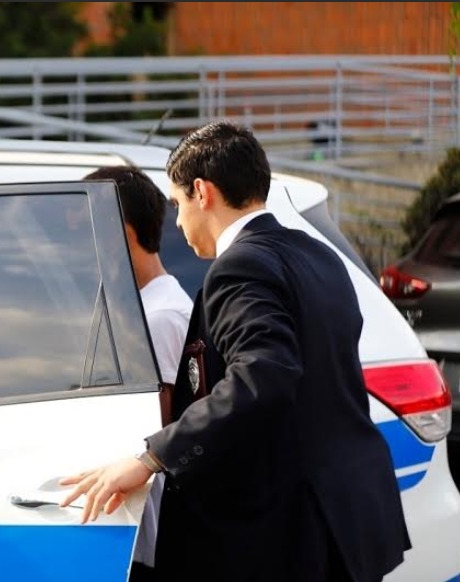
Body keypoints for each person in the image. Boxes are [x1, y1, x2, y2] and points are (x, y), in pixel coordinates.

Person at [61, 121, 409, 582]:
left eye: (178, 204)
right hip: (350, 518)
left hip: (287, 534)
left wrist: (151, 458)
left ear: (202, 192)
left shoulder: (239, 266)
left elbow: (263, 375)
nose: (178, 222)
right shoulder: (319, 254)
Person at [84, 166, 193, 581]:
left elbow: (156, 431)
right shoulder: (137, 308)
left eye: (88, 231)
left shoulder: (161, 317)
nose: (81, 248)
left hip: (144, 533)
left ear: (122, 234)